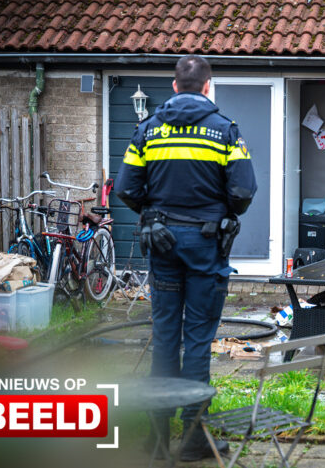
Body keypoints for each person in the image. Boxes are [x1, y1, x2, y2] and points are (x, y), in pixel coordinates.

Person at [115, 55, 257, 460]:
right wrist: (222, 213)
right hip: (206, 247)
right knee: (197, 341)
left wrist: (151, 213)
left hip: (161, 244)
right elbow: (244, 192)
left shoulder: (147, 131)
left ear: (175, 87)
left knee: (164, 339)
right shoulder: (225, 132)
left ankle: (158, 439)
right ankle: (195, 438)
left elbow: (126, 186)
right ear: (207, 87)